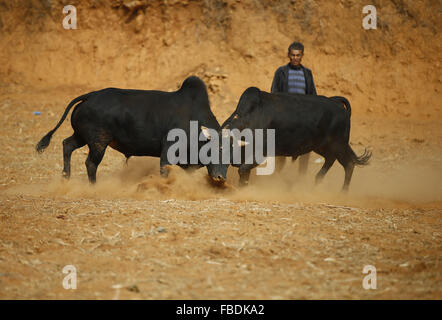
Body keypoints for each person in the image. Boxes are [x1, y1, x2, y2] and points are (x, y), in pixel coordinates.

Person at [270, 41, 317, 174]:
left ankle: (301, 177)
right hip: (286, 117)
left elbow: (312, 95)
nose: (295, 58)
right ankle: (276, 176)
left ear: (302, 56)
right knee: (280, 149)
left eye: (298, 55)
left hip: (303, 118)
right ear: (288, 55)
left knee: (306, 148)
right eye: (292, 55)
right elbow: (274, 93)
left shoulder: (307, 73)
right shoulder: (281, 72)